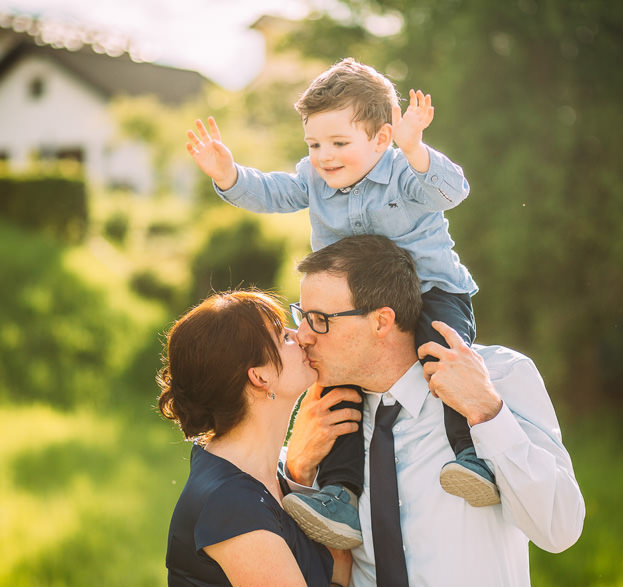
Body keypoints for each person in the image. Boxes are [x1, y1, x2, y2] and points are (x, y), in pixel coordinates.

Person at [185, 57, 496, 552]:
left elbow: (451, 191)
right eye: (314, 144)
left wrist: (415, 148)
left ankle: (473, 457)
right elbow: (271, 192)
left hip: (431, 289)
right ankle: (341, 493)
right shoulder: (313, 178)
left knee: (444, 356)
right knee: (335, 380)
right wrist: (229, 176)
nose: (324, 156)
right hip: (353, 308)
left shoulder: (402, 172)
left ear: (380, 139)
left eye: (338, 143)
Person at [283, 235, 586, 587]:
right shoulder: (318, 407)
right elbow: (287, 566)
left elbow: (559, 529)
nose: (303, 337)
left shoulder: (499, 375)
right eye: (301, 316)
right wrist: (296, 467)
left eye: (319, 319)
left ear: (381, 321)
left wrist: (487, 412)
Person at [138, 290, 352, 587]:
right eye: (283, 336)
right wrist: (341, 578)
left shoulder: (263, 470)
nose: (301, 335)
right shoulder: (231, 503)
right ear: (259, 376)